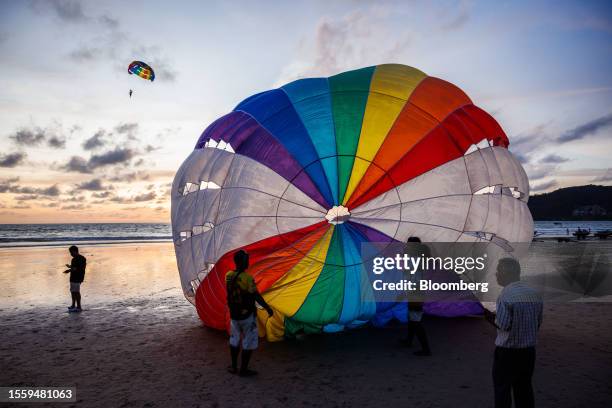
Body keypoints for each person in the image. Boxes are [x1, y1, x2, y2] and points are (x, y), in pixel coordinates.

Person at [484, 258, 543, 408]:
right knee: (524, 389)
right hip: (528, 352)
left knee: (502, 390)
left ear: (505, 273)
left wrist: (488, 316)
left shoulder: (505, 295)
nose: (496, 275)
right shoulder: (534, 294)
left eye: (498, 271)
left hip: (507, 353)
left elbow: (503, 325)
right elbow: (537, 323)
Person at [226, 249, 273, 376]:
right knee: (249, 341)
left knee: (234, 340)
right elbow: (256, 296)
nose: (248, 262)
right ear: (242, 262)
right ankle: (243, 370)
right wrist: (268, 308)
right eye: (247, 260)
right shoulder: (247, 278)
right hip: (247, 316)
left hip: (234, 315)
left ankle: (234, 367)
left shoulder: (228, 275)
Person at [399, 236, 432, 356]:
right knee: (412, 318)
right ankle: (409, 340)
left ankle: (426, 349)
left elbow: (413, 280)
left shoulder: (414, 261)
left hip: (415, 294)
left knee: (415, 319)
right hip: (417, 293)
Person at [63, 245, 86, 313]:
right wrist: (70, 266)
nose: (71, 254)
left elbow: (75, 268)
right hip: (79, 277)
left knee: (75, 292)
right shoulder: (82, 258)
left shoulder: (75, 259)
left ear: (74, 251)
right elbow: (77, 267)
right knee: (73, 291)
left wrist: (68, 270)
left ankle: (78, 307)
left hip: (75, 277)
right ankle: (73, 305)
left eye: (71, 252)